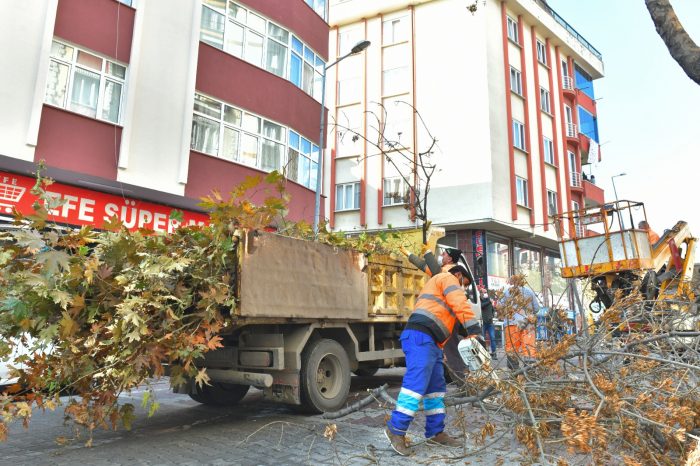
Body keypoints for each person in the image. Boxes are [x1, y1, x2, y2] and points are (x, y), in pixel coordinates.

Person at [384, 265, 482, 456]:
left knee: (435, 390)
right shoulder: (448, 278)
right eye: (464, 284)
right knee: (415, 387)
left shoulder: (439, 287)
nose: (463, 288)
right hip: (421, 337)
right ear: (459, 275)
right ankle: (396, 429)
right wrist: (475, 330)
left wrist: (466, 334)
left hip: (431, 342)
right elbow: (460, 304)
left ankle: (435, 433)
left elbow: (450, 318)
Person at [495, 281, 539, 370]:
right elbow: (536, 308)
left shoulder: (506, 292)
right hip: (528, 323)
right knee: (529, 347)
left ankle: (514, 371)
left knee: (512, 348)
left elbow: (499, 307)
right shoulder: (529, 292)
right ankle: (530, 370)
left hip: (511, 323)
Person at [479, 286, 498, 359]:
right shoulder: (480, 300)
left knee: (492, 338)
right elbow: (481, 306)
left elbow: (492, 310)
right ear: (480, 293)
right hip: (483, 322)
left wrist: (492, 316)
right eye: (483, 292)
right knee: (482, 338)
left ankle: (494, 353)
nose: (485, 293)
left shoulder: (489, 301)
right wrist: (489, 301)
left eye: (486, 292)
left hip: (490, 322)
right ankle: (484, 353)